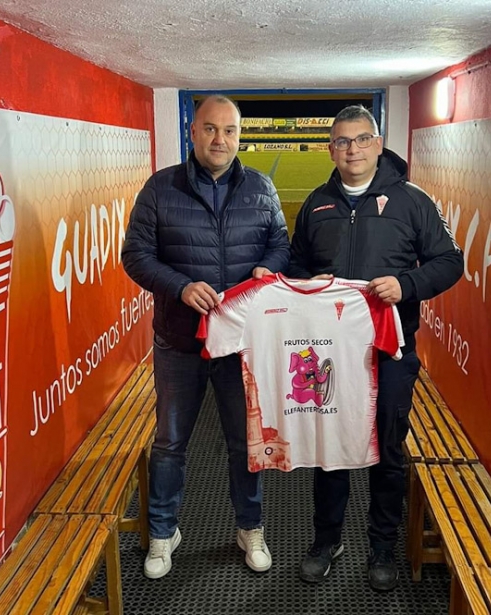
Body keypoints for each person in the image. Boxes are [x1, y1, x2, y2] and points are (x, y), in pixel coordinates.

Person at [289, 105, 463, 591]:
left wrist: (406, 285)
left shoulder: (412, 201)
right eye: (342, 142)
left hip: (389, 352)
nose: (352, 150)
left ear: (379, 142)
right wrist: (307, 280)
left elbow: (451, 261)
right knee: (332, 449)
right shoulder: (317, 203)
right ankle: (327, 541)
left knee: (387, 448)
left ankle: (381, 546)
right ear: (331, 149)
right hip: (328, 354)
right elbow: (296, 262)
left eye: (362, 139)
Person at [122, 95, 290, 579]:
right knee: (171, 442)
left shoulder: (260, 187)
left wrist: (267, 269)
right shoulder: (160, 188)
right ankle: (162, 533)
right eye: (211, 129)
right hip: (181, 342)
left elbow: (280, 244)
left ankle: (250, 528)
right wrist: (180, 286)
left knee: (246, 442)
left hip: (241, 345)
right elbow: (135, 254)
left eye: (230, 131)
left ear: (240, 135)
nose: (221, 139)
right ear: (193, 132)